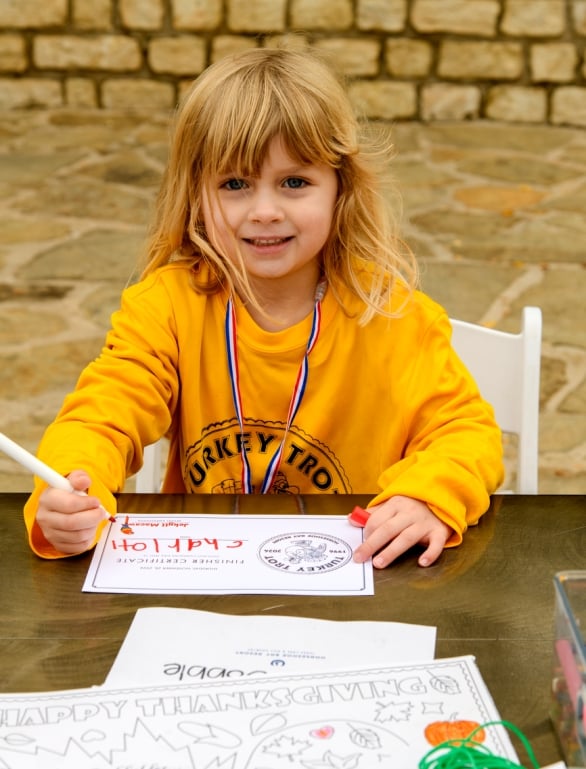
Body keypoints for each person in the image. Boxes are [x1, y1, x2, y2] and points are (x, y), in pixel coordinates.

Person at [23, 46, 504, 565]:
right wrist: (72, 486)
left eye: (294, 182)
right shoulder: (166, 306)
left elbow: (467, 433)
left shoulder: (393, 316)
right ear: (196, 196)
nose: (266, 211)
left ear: (340, 188)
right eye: (235, 184)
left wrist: (427, 496)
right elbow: (102, 416)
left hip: (358, 578)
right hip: (208, 576)